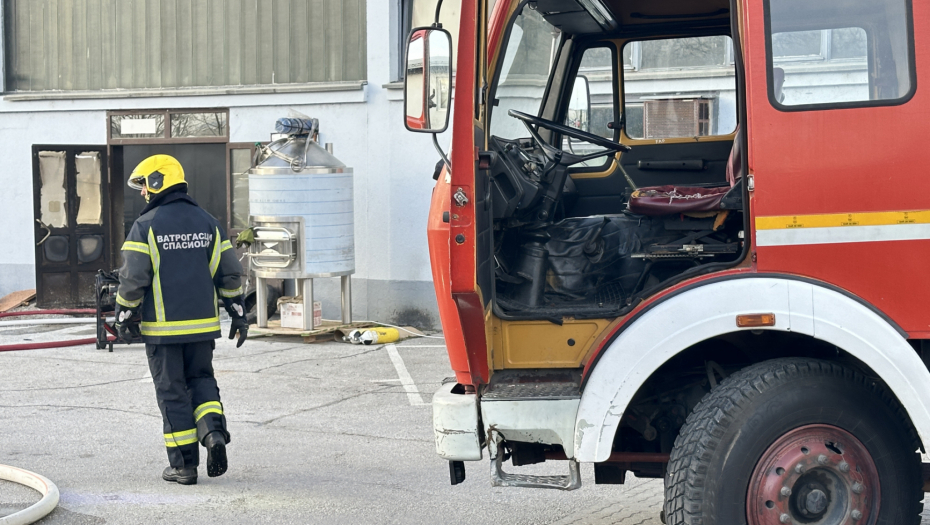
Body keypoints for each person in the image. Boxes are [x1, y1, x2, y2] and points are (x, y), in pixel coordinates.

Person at [114, 154, 249, 485]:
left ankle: (184, 466)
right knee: (201, 380)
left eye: (145, 185)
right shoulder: (208, 222)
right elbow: (230, 274)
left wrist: (124, 312)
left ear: (159, 182)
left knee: (172, 391)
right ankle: (213, 433)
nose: (143, 193)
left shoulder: (145, 226)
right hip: (203, 328)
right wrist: (237, 311)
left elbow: (133, 279)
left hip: (163, 330)